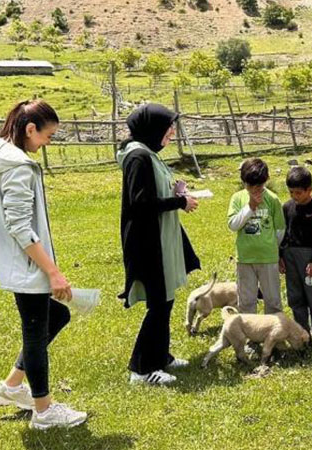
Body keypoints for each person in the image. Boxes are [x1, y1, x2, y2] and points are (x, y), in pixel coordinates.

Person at [0, 99, 88, 430]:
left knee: (57, 316)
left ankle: (11, 386)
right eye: (48, 136)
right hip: (26, 265)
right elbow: (20, 227)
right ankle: (43, 411)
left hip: (14, 263)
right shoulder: (19, 167)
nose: (48, 143)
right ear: (30, 129)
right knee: (36, 333)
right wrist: (52, 272)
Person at [117, 103, 200, 386]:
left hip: (158, 238)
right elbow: (140, 203)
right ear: (153, 128)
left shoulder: (147, 154)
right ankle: (141, 368)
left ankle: (160, 355)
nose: (172, 134)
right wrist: (179, 201)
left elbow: (150, 192)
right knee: (159, 302)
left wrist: (175, 191)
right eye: (168, 128)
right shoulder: (138, 157)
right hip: (148, 242)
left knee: (166, 299)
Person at [279, 166, 312, 351]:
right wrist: (281, 256)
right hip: (290, 256)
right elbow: (282, 234)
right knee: (295, 297)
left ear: (310, 190)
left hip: (309, 258)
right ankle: (303, 335)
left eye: (299, 193)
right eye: (291, 192)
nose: (295, 196)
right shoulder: (286, 207)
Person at [228, 158, 286, 315]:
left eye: (258, 186)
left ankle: (274, 335)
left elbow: (280, 230)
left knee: (273, 300)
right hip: (245, 258)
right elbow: (233, 225)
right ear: (243, 182)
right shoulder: (238, 198)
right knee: (246, 301)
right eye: (249, 186)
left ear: (265, 181)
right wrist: (250, 207)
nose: (254, 190)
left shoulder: (272, 199)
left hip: (268, 258)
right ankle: (249, 335)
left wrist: (272, 246)